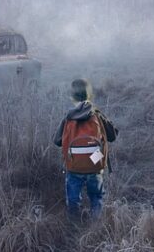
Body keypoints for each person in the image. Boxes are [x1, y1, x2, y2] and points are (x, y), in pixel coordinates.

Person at [54, 79, 118, 221]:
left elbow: (57, 141)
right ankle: (96, 228)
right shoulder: (97, 115)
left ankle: (74, 227)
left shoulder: (68, 117)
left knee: (73, 200)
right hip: (95, 165)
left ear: (72, 97)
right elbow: (113, 136)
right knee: (96, 198)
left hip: (73, 166)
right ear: (89, 95)